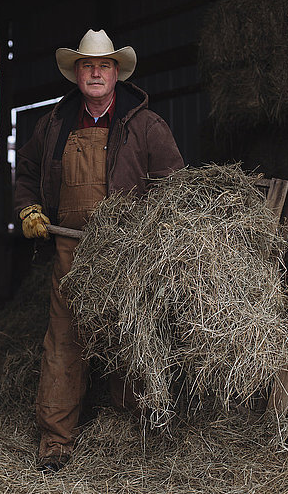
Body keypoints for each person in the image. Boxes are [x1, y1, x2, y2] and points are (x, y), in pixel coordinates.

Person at [15, 28, 184, 471]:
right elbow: (27, 171)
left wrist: (155, 238)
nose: (95, 72)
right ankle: (56, 440)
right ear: (76, 73)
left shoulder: (145, 124)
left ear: (116, 73)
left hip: (127, 252)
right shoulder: (53, 125)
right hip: (70, 251)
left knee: (132, 337)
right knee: (64, 341)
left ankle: (133, 430)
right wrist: (28, 206)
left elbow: (175, 187)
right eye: (87, 65)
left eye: (103, 65)